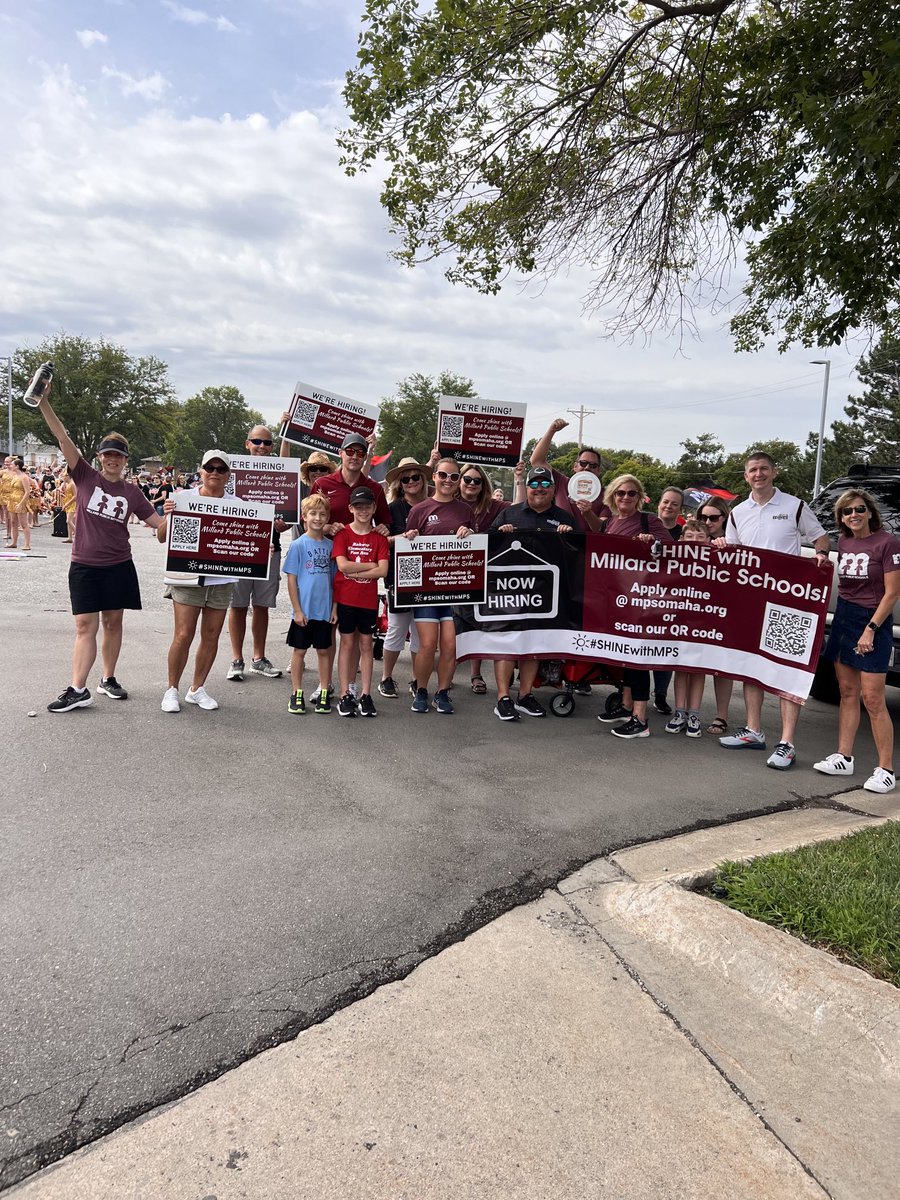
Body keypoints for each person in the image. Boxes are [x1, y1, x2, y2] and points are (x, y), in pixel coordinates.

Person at [33, 387, 163, 711]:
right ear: (100, 458)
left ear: (125, 460)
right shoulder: (86, 476)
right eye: (107, 454)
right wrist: (44, 401)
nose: (112, 459)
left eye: (118, 455)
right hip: (85, 565)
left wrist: (175, 517)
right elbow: (63, 438)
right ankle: (78, 688)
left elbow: (159, 529)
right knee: (84, 625)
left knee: (113, 623)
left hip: (119, 565)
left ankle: (108, 678)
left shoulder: (133, 493)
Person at [717, 451, 830, 768]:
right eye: (753, 470)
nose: (758, 474)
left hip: (788, 603)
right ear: (745, 476)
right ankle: (754, 731)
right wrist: (724, 547)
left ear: (774, 472)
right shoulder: (738, 512)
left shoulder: (795, 506)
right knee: (752, 666)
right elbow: (734, 554)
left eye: (764, 468)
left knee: (787, 670)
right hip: (751, 601)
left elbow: (822, 539)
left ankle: (787, 742)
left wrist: (820, 555)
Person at [813, 488, 900, 793]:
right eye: (847, 511)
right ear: (841, 517)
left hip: (872, 620)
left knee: (873, 698)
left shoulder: (888, 544)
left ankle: (886, 769)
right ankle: (843, 756)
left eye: (859, 509)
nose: (854, 515)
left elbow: (892, 593)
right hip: (845, 619)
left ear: (870, 512)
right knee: (847, 692)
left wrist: (871, 629)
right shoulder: (846, 542)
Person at [488, 465, 574, 721]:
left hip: (545, 594)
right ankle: (503, 697)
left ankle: (524, 695)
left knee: (533, 646)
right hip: (509, 592)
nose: (539, 489)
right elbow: (487, 547)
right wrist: (499, 535)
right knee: (506, 644)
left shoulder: (564, 518)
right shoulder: (509, 514)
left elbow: (576, 556)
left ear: (553, 488)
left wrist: (569, 539)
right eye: (534, 484)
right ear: (526, 488)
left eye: (544, 484)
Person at [157, 450, 239, 713]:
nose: (215, 472)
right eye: (209, 468)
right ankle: (172, 689)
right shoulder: (182, 499)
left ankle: (197, 688)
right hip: (187, 575)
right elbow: (161, 537)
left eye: (221, 469)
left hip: (221, 578)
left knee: (212, 635)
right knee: (183, 634)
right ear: (201, 471)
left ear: (228, 475)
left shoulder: (238, 504)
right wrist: (168, 517)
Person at [597, 473, 674, 739]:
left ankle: (640, 719)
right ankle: (626, 705)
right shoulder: (608, 524)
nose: (626, 497)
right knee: (626, 656)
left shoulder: (648, 520)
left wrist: (652, 543)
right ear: (612, 496)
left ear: (639, 497)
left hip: (641, 601)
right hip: (617, 599)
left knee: (638, 656)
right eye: (620, 493)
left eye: (631, 493)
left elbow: (672, 549)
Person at [405, 457, 476, 714]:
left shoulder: (466, 511)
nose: (448, 481)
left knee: (450, 645)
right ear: (433, 477)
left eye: (454, 477)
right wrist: (410, 537)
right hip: (425, 589)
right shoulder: (419, 510)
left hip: (455, 589)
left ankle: (443, 692)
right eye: (443, 475)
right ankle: (421, 689)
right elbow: (406, 550)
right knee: (427, 644)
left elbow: (474, 551)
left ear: (458, 481)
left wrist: (470, 535)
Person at [226, 424, 288, 682]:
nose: (261, 446)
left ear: (272, 446)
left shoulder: (278, 476)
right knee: (237, 606)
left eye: (266, 443)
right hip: (238, 550)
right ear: (247, 443)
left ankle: (258, 658)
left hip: (270, 549)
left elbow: (290, 510)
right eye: (256, 441)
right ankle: (236, 659)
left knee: (262, 606)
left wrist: (284, 524)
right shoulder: (232, 473)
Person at [331, 487, 390, 717]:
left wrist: (361, 571)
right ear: (350, 509)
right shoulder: (343, 534)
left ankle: (365, 694)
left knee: (366, 645)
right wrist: (369, 566)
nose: (363, 511)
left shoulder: (379, 538)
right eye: (358, 506)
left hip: (367, 601)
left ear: (374, 508)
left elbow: (383, 570)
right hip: (346, 599)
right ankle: (346, 694)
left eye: (368, 506)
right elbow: (343, 566)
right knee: (346, 644)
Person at [378, 456, 431, 698]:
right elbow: (380, 542)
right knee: (396, 630)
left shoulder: (434, 504)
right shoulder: (393, 509)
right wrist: (401, 538)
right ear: (400, 482)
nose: (411, 481)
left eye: (415, 477)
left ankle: (416, 680)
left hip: (429, 576)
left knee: (421, 633)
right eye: (406, 478)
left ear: (423, 478)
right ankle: (386, 678)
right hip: (400, 576)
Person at [458, 461, 510, 694]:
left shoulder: (494, 506)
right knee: (452, 626)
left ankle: (476, 674)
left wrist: (518, 478)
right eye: (467, 479)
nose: (471, 484)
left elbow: (518, 507)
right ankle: (446, 677)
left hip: (483, 572)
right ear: (459, 480)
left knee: (476, 623)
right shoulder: (450, 504)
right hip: (447, 573)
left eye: (476, 481)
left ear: (483, 485)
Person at [283, 493, 337, 714]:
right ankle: (297, 693)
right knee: (300, 652)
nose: (317, 518)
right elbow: (292, 579)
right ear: (304, 517)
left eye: (322, 514)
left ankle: (324, 690)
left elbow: (336, 581)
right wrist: (297, 610)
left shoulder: (332, 546)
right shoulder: (298, 545)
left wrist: (334, 608)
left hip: (324, 610)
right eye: (313, 513)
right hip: (303, 611)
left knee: (324, 651)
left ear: (327, 518)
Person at [663, 519, 712, 738]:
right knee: (681, 667)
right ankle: (679, 711)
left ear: (708, 540)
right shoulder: (674, 557)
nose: (695, 542)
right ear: (681, 540)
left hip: (703, 620)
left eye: (700, 538)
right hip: (679, 618)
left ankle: (694, 713)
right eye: (690, 537)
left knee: (698, 668)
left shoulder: (715, 560)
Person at [692, 495, 735, 734]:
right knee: (693, 665)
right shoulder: (693, 538)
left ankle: (721, 716)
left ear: (724, 518)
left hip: (722, 607)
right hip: (695, 607)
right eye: (703, 517)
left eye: (713, 517)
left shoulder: (732, 541)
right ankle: (688, 711)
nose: (707, 522)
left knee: (721, 666)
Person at [528, 418, 610, 531]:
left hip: (586, 546)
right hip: (559, 543)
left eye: (593, 465)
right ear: (575, 466)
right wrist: (552, 430)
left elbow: (602, 529)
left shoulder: (606, 495)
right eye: (583, 463)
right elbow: (536, 461)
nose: (587, 468)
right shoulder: (562, 482)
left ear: (598, 471)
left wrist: (588, 514)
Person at [310, 432, 392, 536]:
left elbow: (386, 523)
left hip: (361, 549)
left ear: (365, 457)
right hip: (327, 550)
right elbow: (306, 523)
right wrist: (327, 528)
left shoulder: (375, 488)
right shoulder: (322, 484)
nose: (354, 456)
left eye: (360, 453)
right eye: (349, 451)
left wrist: (384, 528)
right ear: (340, 453)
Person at [651, 485, 686, 712]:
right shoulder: (646, 526)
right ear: (659, 504)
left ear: (680, 509)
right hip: (643, 595)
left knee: (665, 648)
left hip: (672, 597)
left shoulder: (685, 533)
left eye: (674, 503)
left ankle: (661, 695)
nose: (669, 506)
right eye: (666, 502)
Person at [4, 456, 33, 550]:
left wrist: (21, 503)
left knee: (23, 523)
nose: (10, 465)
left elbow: (27, 492)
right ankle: (14, 542)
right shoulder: (14, 476)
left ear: (17, 466)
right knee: (13, 522)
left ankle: (27, 544)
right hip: (12, 500)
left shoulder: (24, 477)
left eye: (12, 464)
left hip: (20, 499)